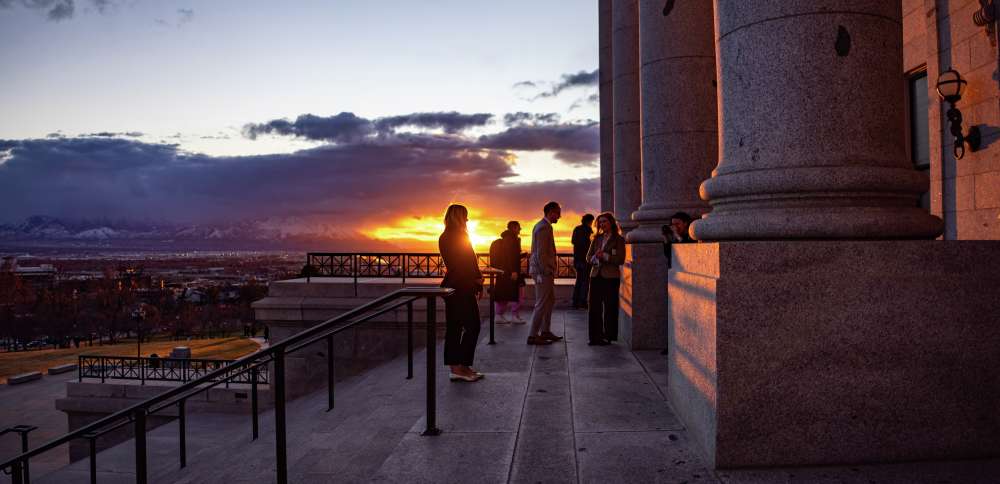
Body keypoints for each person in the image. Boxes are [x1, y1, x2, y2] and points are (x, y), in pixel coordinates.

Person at [439, 204, 485, 382]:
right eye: (465, 216)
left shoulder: (445, 236)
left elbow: (461, 263)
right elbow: (467, 263)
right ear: (459, 217)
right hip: (461, 287)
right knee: (472, 325)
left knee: (455, 327)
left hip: (453, 286)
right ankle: (462, 367)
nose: (467, 219)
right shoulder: (459, 235)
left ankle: (457, 368)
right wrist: (477, 282)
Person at [586, 212, 626, 346]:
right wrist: (596, 257)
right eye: (600, 222)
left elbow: (620, 259)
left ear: (611, 223)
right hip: (595, 276)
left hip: (611, 277)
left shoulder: (619, 239)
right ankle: (595, 337)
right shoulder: (596, 239)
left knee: (610, 307)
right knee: (594, 307)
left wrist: (606, 256)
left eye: (605, 222)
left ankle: (608, 336)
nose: (602, 224)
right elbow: (588, 258)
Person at [528, 201, 563, 345]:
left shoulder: (543, 226)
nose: (559, 217)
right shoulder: (543, 228)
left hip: (543, 271)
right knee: (542, 303)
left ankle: (545, 331)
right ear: (551, 212)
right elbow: (541, 253)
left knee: (549, 301)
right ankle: (532, 336)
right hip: (543, 272)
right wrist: (546, 270)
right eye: (558, 213)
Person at [660, 211, 694, 355]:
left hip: (689, 278)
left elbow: (688, 252)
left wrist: (678, 237)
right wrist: (667, 240)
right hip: (674, 276)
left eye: (677, 224)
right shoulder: (674, 237)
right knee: (673, 313)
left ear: (686, 223)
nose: (674, 227)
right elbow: (668, 255)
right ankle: (672, 345)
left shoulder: (692, 236)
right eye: (672, 224)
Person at [492, 221, 525, 323]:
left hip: (504, 272)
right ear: (514, 228)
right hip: (512, 272)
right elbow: (510, 256)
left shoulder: (506, 239)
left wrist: (523, 255)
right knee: (520, 293)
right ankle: (514, 315)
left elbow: (510, 256)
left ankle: (499, 316)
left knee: (504, 294)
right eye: (519, 228)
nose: (520, 230)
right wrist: (514, 271)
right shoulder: (512, 240)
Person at [571, 214, 595, 309]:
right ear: (589, 221)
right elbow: (590, 245)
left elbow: (573, 241)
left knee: (579, 281)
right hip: (585, 260)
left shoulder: (576, 229)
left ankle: (575, 302)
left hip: (577, 259)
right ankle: (583, 302)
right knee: (585, 281)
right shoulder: (589, 231)